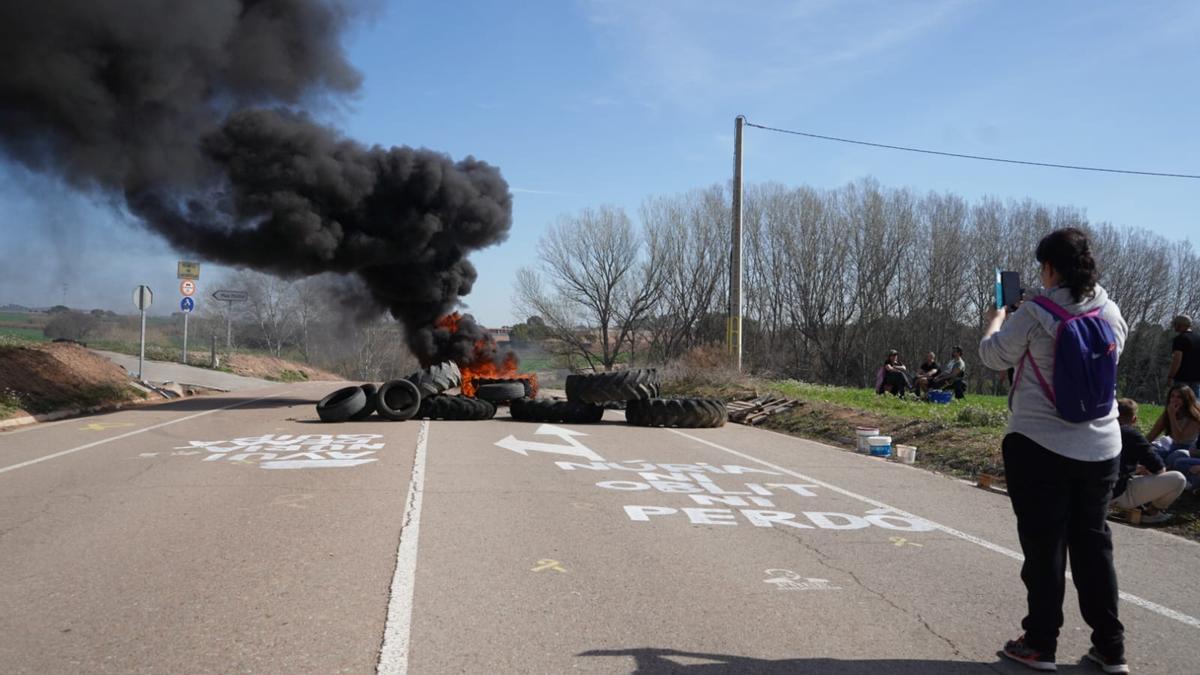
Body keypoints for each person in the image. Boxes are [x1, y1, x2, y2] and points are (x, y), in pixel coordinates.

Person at [979, 227, 1129, 673]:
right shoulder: (1110, 309)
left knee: (1045, 547)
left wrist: (997, 315)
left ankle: (1041, 642)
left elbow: (993, 356)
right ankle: (1110, 647)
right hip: (1103, 446)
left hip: (1039, 443)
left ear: (1049, 268)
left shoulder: (1034, 313)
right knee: (1093, 545)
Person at [1112, 399, 1186, 523]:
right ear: (1134, 419)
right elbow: (1159, 469)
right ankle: (1152, 512)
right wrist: (1145, 470)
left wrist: (1136, 469)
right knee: (1178, 479)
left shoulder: (1096, 430)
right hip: (1113, 493)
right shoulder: (1133, 435)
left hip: (1083, 489)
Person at [1147, 384, 1200, 466]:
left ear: (1186, 399)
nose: (1174, 400)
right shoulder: (1167, 414)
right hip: (1172, 447)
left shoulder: (1194, 417)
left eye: (1179, 397)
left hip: (1188, 451)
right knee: (1152, 452)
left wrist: (1172, 416)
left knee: (1174, 457)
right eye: (1172, 396)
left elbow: (1179, 438)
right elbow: (1152, 434)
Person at [1167, 315, 1200, 397]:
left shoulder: (1180, 339)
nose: (1174, 327)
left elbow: (1177, 360)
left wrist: (1171, 376)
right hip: (1196, 378)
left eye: (1176, 324)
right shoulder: (1198, 338)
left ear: (1181, 325)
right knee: (1195, 405)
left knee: (1180, 403)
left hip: (1182, 378)